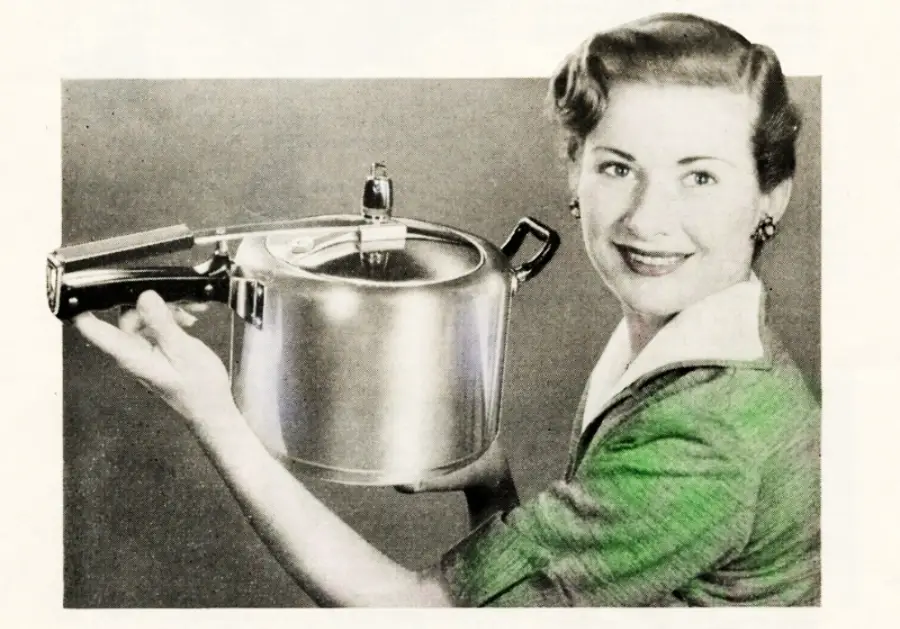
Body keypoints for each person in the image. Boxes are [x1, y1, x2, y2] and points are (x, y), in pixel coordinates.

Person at [70, 13, 820, 606]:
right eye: (619, 168)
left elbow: (413, 613)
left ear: (770, 198)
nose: (648, 219)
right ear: (575, 173)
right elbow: (555, 598)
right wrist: (488, 481)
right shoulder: (689, 347)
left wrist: (211, 410)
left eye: (701, 178)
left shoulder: (710, 439)